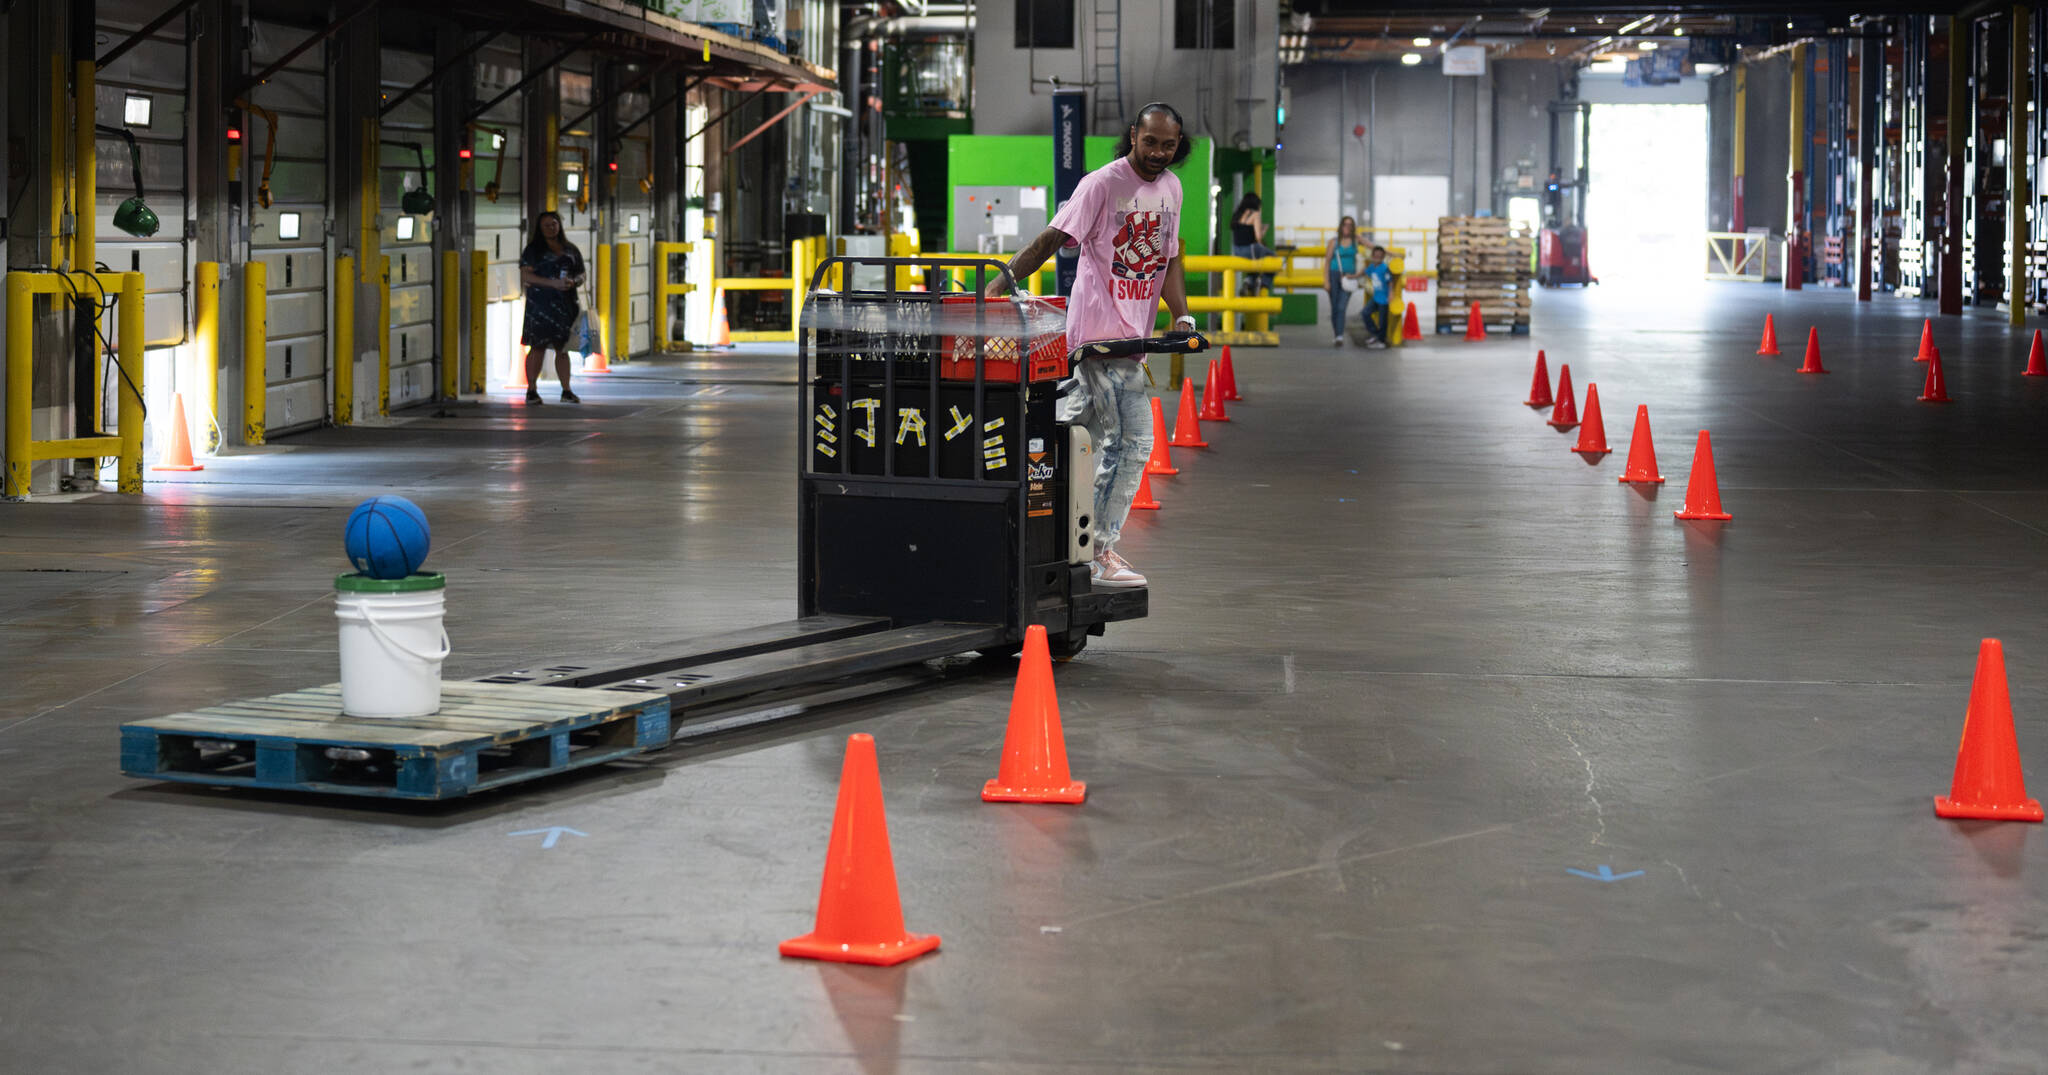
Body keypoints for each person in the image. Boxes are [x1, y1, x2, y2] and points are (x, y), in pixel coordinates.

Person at [985, 101, 1194, 589]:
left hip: (1134, 338)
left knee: (1074, 436)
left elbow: (1169, 257)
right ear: (1133, 136)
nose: (1160, 153)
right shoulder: (1101, 184)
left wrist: (1180, 314)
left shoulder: (1173, 188)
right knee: (1136, 441)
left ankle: (1017, 497)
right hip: (1100, 337)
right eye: (1151, 142)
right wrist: (999, 284)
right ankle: (1097, 550)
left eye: (1169, 145)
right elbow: (1051, 239)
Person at [517, 211, 587, 404]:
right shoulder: (533, 250)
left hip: (565, 307)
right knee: (537, 347)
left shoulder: (570, 249)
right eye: (546, 225)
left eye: (553, 224)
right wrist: (551, 283)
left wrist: (574, 281)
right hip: (540, 307)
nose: (550, 228)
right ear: (540, 228)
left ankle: (566, 390)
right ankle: (531, 390)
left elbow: (582, 274)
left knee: (562, 349)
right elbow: (526, 276)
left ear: (559, 226)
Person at [1325, 216, 1362, 345]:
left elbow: (1373, 246)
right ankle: (1337, 334)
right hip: (1334, 275)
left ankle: (1340, 336)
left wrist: (1392, 254)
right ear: (1341, 226)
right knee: (1335, 307)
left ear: (1353, 228)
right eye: (1345, 224)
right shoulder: (1333, 242)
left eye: (1350, 225)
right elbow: (1327, 261)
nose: (1347, 227)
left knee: (1341, 307)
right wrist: (1326, 281)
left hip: (1349, 277)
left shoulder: (1356, 240)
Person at [1230, 192, 1273, 296]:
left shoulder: (1237, 215)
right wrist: (1263, 231)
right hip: (1250, 249)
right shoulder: (1255, 214)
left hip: (1237, 251)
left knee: (1255, 262)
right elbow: (1258, 237)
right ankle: (1263, 283)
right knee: (1273, 258)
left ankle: (1248, 281)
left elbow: (1244, 233)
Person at [1359, 245, 1393, 348]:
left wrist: (1391, 294)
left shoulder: (1385, 268)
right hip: (1376, 297)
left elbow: (1390, 282)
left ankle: (1381, 341)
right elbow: (1364, 272)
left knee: (1383, 321)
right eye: (1375, 256)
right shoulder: (1372, 267)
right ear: (1372, 257)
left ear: (1383, 258)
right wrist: (1352, 276)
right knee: (1365, 313)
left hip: (1384, 299)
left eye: (1380, 256)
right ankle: (1375, 334)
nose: (1377, 258)